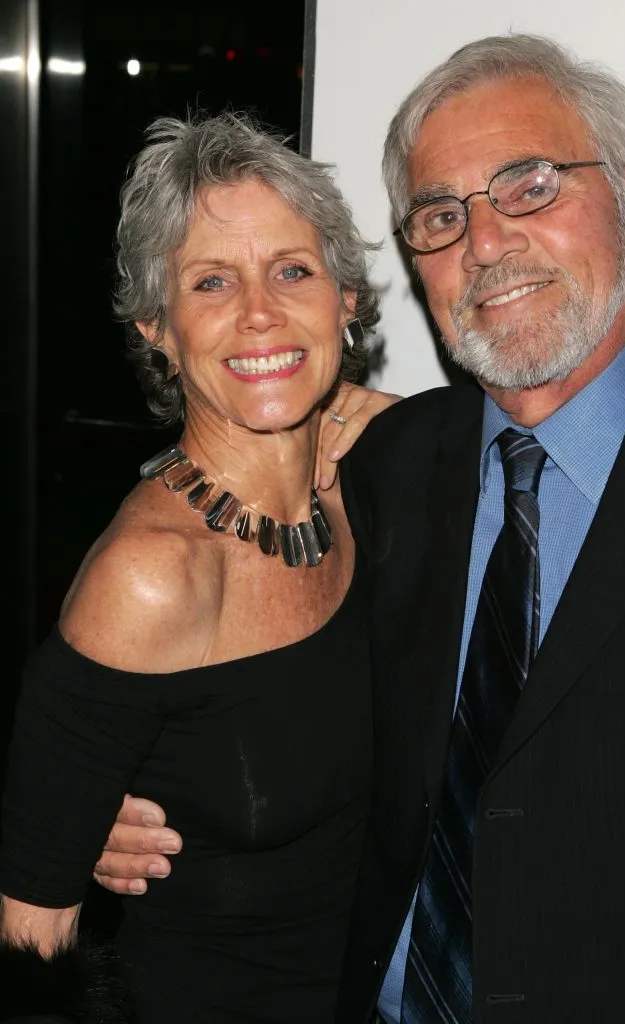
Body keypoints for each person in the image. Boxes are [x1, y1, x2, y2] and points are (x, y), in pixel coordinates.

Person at [94, 33, 625, 1024]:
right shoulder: (376, 475)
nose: (483, 240)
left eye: (529, 185)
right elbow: (268, 708)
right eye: (438, 213)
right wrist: (113, 792)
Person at [0, 111, 398, 1022]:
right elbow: (29, 946)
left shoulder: (382, 484)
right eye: (212, 281)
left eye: (293, 271)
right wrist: (82, 828)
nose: (261, 311)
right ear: (157, 330)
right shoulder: (151, 576)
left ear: (346, 300)